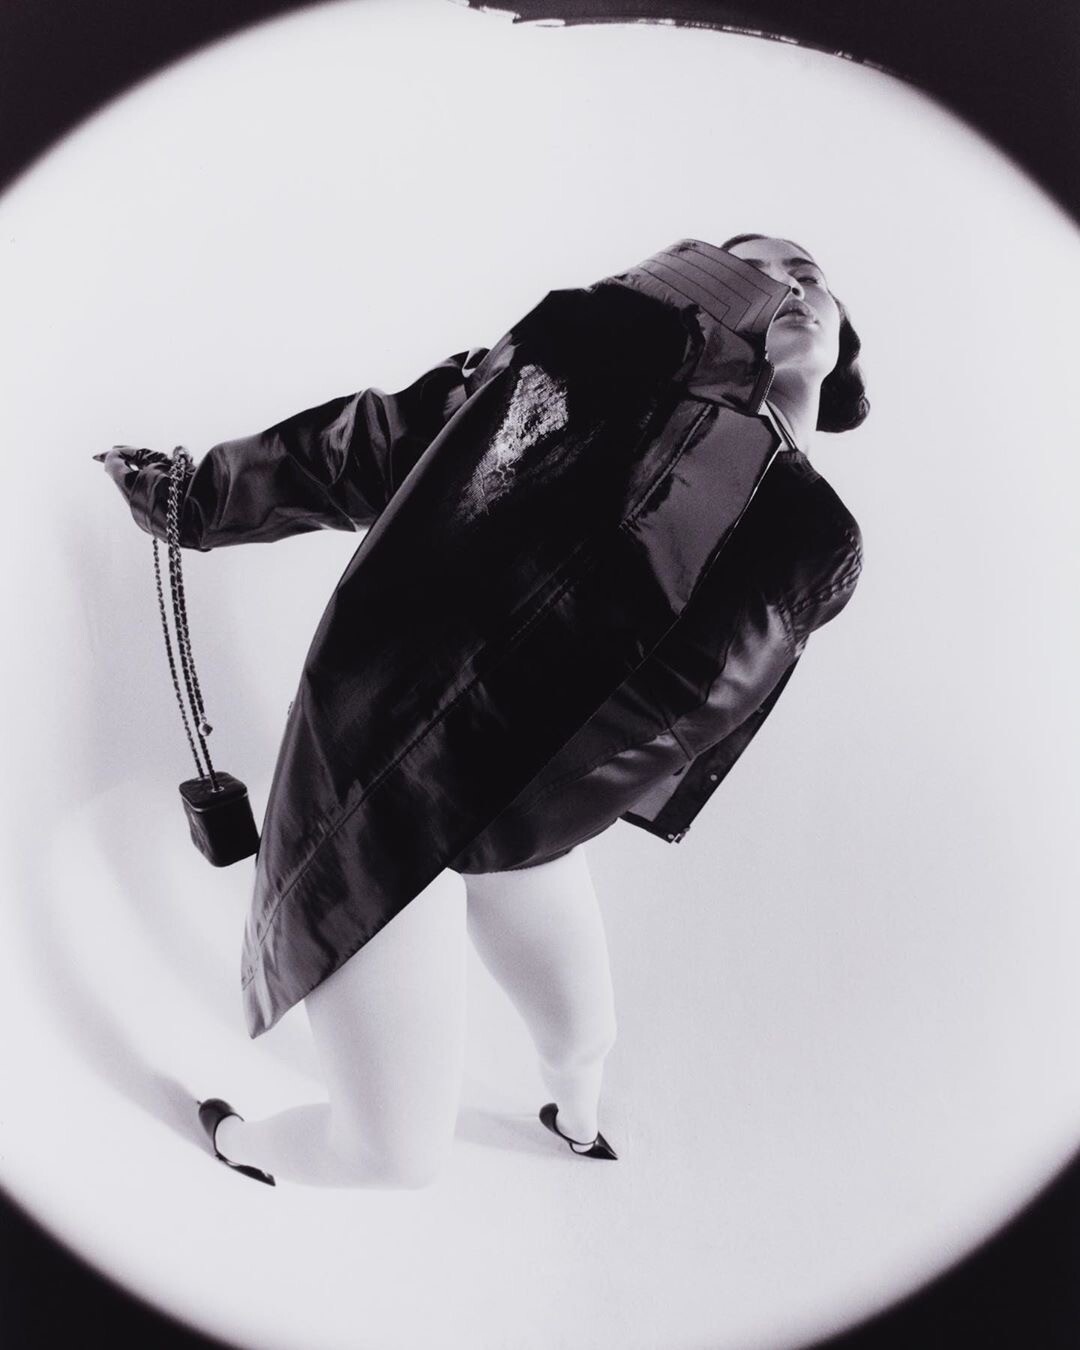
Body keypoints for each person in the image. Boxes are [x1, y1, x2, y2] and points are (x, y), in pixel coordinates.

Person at [96, 233, 867, 1188]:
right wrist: (198, 499)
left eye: (811, 275)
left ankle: (572, 1116)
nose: (791, 284)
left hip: (533, 819)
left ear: (843, 337)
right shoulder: (590, 352)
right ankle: (237, 1143)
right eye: (758, 264)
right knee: (391, 1158)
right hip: (392, 779)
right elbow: (379, 443)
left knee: (586, 1038)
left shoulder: (817, 532)